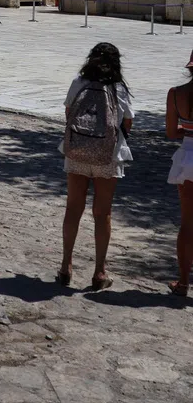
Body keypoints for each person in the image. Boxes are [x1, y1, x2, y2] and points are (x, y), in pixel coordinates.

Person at [57, 43, 133, 291]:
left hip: (77, 152)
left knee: (73, 208)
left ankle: (66, 266)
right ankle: (99, 271)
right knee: (102, 213)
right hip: (107, 156)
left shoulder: (79, 82)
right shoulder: (118, 88)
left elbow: (69, 113)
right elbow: (127, 122)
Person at [164, 47, 193, 297]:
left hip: (188, 157)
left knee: (187, 223)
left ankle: (183, 282)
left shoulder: (176, 94)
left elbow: (172, 133)